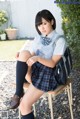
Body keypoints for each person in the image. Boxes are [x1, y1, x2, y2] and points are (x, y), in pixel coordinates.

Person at [10, 9, 67, 119]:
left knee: (24, 106)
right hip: (35, 71)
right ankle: (18, 92)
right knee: (24, 53)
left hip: (47, 75)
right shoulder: (38, 38)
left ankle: (19, 94)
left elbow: (52, 64)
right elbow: (31, 55)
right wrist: (21, 56)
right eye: (39, 25)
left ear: (52, 22)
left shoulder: (59, 40)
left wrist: (38, 58)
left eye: (45, 23)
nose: (42, 27)